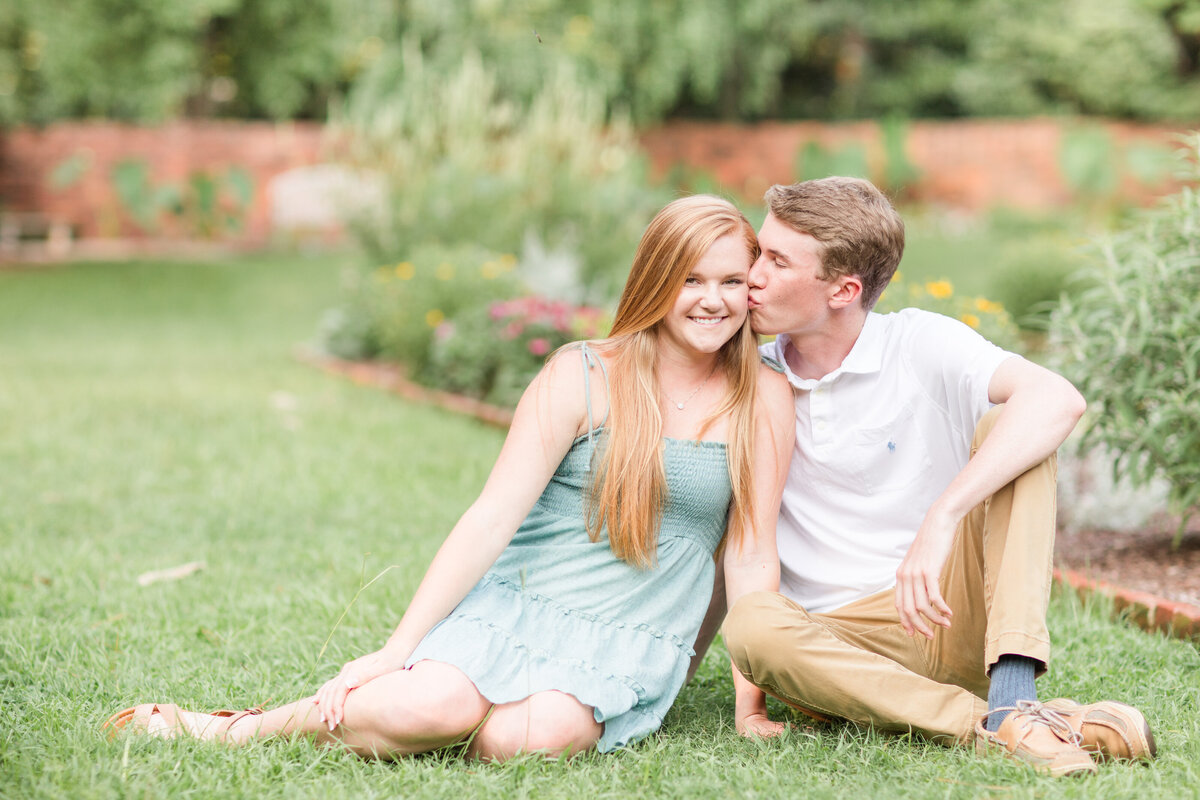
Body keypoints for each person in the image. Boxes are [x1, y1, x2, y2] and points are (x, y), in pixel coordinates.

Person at [104, 195, 795, 760]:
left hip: (632, 631)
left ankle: (445, 725)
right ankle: (239, 727)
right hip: (525, 599)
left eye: (733, 281)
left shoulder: (761, 396)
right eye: (692, 280)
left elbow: (751, 550)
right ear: (655, 282)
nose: (714, 301)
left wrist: (749, 704)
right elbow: (492, 516)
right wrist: (395, 649)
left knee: (527, 737)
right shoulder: (582, 374)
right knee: (429, 703)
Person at [720, 177, 1155, 777]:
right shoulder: (751, 377)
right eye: (757, 252)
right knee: (750, 622)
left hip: (945, 614)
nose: (753, 275)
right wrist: (750, 705)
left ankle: (1008, 690)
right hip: (832, 647)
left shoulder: (918, 343)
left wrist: (942, 516)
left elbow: (1057, 399)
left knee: (1014, 427)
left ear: (844, 290)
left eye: (775, 260)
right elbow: (749, 548)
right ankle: (1011, 722)